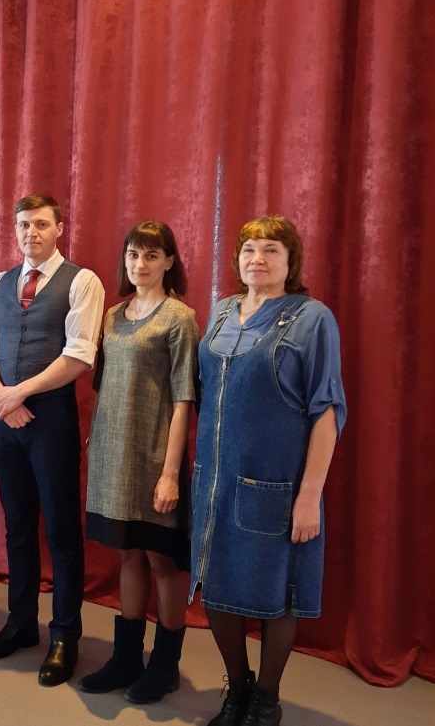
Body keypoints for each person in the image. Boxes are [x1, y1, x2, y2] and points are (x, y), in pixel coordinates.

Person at [191, 216, 346, 726]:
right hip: (215, 482)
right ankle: (237, 690)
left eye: (271, 249)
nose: (257, 258)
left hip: (276, 488)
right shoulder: (220, 311)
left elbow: (326, 411)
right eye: (249, 249)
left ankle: (267, 701)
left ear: (290, 260)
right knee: (215, 586)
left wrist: (309, 496)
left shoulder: (312, 318)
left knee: (278, 594)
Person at [0, 193, 105, 687]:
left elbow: (80, 355)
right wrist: (1, 397)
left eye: (42, 224)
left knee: (62, 531)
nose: (32, 233)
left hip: (50, 420)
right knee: (19, 527)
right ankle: (21, 623)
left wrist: (19, 393)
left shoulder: (82, 281)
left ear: (59, 228)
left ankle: (65, 636)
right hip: (5, 418)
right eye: (24, 225)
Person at [78, 221, 199, 702]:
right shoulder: (112, 316)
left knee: (160, 559)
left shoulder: (179, 318)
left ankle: (165, 665)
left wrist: (170, 474)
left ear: (169, 261)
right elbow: (104, 387)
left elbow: (184, 398)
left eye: (151, 255)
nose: (140, 264)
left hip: (154, 459)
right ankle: (126, 658)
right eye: (133, 254)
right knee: (127, 554)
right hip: (114, 457)